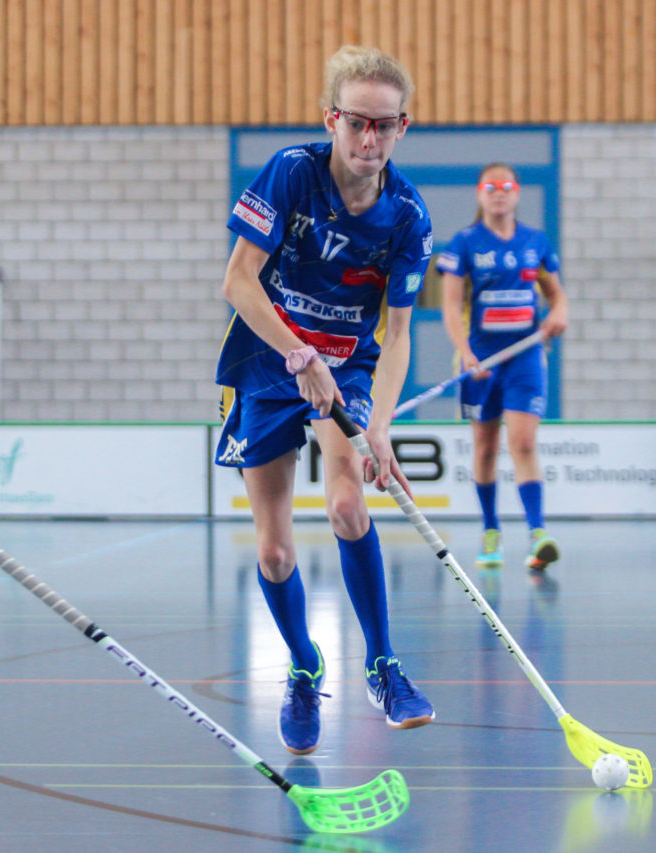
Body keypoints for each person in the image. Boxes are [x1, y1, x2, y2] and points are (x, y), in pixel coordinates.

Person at [214, 45, 435, 756]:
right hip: (268, 358)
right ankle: (305, 667)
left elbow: (397, 333)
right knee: (276, 553)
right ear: (331, 119)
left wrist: (381, 421)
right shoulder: (290, 173)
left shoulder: (408, 217)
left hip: (351, 364)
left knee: (347, 504)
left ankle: (382, 664)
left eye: (385, 125)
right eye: (357, 122)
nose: (369, 138)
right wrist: (298, 354)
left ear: (403, 128)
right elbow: (239, 282)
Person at [436, 163, 569, 572]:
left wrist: (558, 314)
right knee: (486, 447)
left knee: (524, 443)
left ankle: (537, 534)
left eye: (506, 186)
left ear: (517, 193)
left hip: (525, 357)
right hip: (482, 360)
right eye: (491, 187)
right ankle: (490, 531)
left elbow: (556, 295)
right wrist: (465, 352)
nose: (499, 193)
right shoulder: (464, 244)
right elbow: (451, 306)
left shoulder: (535, 242)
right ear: (479, 194)